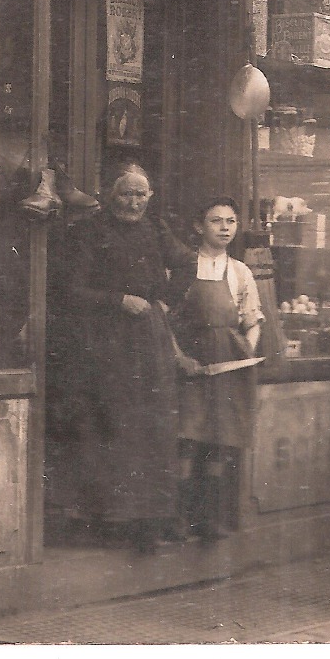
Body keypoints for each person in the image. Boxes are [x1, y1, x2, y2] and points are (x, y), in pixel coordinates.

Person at [56, 163, 195, 554]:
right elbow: (71, 290)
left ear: (150, 197)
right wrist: (117, 300)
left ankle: (148, 521)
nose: (133, 203)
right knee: (112, 428)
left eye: (140, 195)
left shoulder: (156, 229)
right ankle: (108, 520)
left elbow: (187, 262)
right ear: (109, 196)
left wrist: (164, 301)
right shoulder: (90, 232)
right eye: (125, 194)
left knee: (152, 429)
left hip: (148, 342)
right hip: (103, 343)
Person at [168, 197, 263, 542]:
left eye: (231, 221)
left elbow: (253, 320)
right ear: (198, 226)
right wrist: (179, 357)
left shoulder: (240, 272)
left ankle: (207, 519)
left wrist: (244, 352)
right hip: (191, 365)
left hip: (228, 367)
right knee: (187, 440)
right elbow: (164, 319)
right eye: (216, 221)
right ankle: (177, 519)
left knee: (219, 443)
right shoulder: (182, 267)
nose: (225, 228)